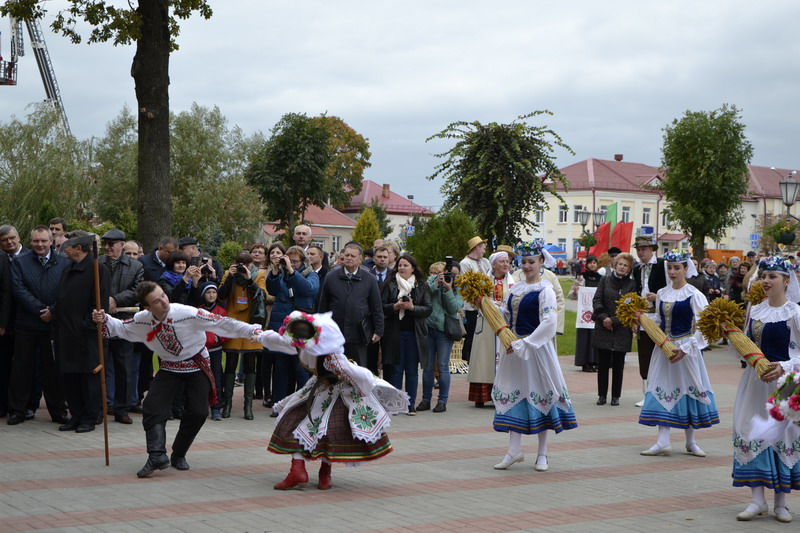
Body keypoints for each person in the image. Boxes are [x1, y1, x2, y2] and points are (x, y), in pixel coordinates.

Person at [92, 281, 263, 478]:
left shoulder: (186, 313)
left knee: (198, 412)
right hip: (169, 367)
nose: (164, 302)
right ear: (147, 307)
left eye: (163, 295)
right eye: (156, 301)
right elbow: (122, 328)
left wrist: (252, 331)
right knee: (152, 407)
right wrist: (103, 319)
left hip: (196, 364)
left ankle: (179, 454)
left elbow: (221, 323)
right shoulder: (143, 319)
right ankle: (157, 455)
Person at [257, 311, 408, 490]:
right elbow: (282, 339)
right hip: (321, 388)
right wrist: (260, 335)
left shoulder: (332, 357)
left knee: (308, 425)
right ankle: (318, 473)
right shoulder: (310, 344)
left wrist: (368, 385)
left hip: (338, 393)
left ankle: (310, 472)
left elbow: (357, 374)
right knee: (307, 425)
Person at [492, 240, 577, 473]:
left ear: (541, 263)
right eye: (524, 262)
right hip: (515, 350)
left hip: (536, 350)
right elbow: (509, 314)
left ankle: (542, 453)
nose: (527, 266)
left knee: (541, 396)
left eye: (531, 262)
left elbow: (549, 322)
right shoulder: (516, 288)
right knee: (513, 393)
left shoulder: (545, 290)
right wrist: (490, 307)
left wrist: (527, 343)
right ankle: (513, 450)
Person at [732, 256, 800, 524]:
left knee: (782, 436)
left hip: (787, 382)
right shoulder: (755, 310)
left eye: (773, 276)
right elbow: (746, 346)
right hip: (754, 380)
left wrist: (783, 367)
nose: (766, 281)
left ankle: (781, 503)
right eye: (764, 276)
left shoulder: (795, 312)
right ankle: (757, 500)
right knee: (750, 431)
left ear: (786, 280)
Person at [638, 250, 719, 457]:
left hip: (686, 349)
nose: (672, 272)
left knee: (689, 389)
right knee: (662, 388)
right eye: (670, 268)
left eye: (677, 268)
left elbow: (705, 326)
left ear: (686, 269)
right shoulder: (663, 293)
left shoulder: (694, 294)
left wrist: (686, 348)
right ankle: (662, 441)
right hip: (664, 348)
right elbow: (659, 320)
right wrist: (641, 319)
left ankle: (690, 442)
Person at [7, 226, 69, 425]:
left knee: (54, 370)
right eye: (36, 241)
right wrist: (41, 310)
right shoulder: (19, 262)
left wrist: (53, 310)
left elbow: (68, 291)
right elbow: (18, 289)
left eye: (43, 241)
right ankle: (18, 410)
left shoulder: (64, 263)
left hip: (53, 326)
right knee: (21, 370)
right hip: (26, 324)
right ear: (30, 241)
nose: (39, 245)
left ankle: (58, 411)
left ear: (51, 241)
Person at [55, 232, 110, 433]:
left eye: (67, 245)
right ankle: (76, 415)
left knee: (89, 379)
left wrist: (85, 325)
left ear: (79, 248)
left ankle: (89, 417)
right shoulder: (68, 269)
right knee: (70, 378)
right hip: (66, 333)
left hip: (86, 335)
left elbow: (100, 303)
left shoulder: (97, 269)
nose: (63, 248)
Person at [266, 245, 319, 416]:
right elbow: (271, 290)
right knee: (280, 367)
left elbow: (308, 289)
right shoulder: (280, 275)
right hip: (282, 326)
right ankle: (279, 404)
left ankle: (303, 405)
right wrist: (275, 270)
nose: (292, 264)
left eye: (295, 261)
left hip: (301, 327)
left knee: (300, 368)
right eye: (290, 260)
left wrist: (291, 271)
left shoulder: (311, 275)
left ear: (303, 262)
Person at [99, 229, 144, 424]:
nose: (107, 247)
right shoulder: (97, 263)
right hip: (100, 321)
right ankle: (100, 406)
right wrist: (104, 301)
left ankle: (122, 408)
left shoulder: (135, 266)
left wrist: (115, 300)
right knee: (100, 365)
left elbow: (138, 289)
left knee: (124, 367)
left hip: (124, 322)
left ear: (121, 245)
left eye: (112, 244)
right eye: (105, 243)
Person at [218, 250, 267, 420]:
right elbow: (220, 295)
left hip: (250, 321)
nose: (244, 267)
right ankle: (228, 404)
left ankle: (248, 406)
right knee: (230, 363)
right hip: (233, 321)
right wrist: (231, 277)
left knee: (250, 363)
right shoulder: (228, 274)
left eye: (247, 265)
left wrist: (249, 280)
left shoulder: (258, 275)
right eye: (241, 264)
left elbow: (263, 295)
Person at [317, 242, 383, 367]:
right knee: (335, 370)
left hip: (359, 334)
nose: (349, 258)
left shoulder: (369, 279)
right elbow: (323, 306)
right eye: (346, 255)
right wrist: (321, 329)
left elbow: (376, 307)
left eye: (353, 256)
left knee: (357, 370)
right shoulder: (331, 277)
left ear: (360, 259)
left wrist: (378, 330)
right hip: (335, 333)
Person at [380, 255, 432, 414]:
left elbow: (428, 309)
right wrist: (395, 306)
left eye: (405, 265)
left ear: (413, 268)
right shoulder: (390, 284)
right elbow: (381, 306)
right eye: (400, 265)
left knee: (411, 370)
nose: (402, 268)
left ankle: (410, 405)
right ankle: (396, 405)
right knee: (396, 369)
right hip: (394, 332)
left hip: (414, 334)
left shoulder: (422, 285)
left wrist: (412, 308)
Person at [468, 249, 512, 408]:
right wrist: (488, 305)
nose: (506, 264)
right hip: (487, 323)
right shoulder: (483, 281)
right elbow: (474, 301)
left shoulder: (513, 281)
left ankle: (503, 394)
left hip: (504, 323)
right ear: (493, 264)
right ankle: (482, 396)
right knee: (484, 359)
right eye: (502, 261)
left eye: (507, 261)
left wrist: (504, 306)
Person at [592, 253, 636, 406]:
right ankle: (602, 395)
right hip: (602, 326)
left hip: (621, 329)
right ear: (615, 265)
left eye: (626, 265)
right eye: (620, 264)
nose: (622, 267)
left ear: (629, 269)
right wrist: (604, 318)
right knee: (602, 364)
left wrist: (614, 320)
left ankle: (616, 396)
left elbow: (630, 307)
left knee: (618, 365)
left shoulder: (631, 285)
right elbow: (597, 300)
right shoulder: (604, 280)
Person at [420, 260, 462, 413]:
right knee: (428, 366)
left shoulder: (460, 289)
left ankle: (442, 401)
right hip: (429, 328)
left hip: (445, 331)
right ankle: (425, 400)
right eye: (449, 274)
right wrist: (437, 284)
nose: (452, 277)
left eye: (455, 275)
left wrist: (449, 289)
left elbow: (454, 308)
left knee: (443, 366)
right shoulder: (432, 280)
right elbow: (424, 296)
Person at [632, 234, 667, 407]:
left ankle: (660, 391)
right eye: (638, 249)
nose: (640, 252)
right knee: (644, 355)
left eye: (644, 249)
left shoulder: (663, 265)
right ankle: (646, 393)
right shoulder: (637, 269)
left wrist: (658, 296)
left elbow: (672, 289)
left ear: (652, 249)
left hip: (659, 318)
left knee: (659, 355)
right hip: (643, 317)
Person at [197, 282, 226, 421]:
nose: (211, 295)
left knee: (216, 378)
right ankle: (201, 407)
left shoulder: (221, 311)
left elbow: (226, 329)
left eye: (214, 292)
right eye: (208, 292)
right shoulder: (197, 311)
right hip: (200, 350)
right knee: (200, 379)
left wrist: (217, 337)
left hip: (215, 350)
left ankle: (216, 407)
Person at [459, 237, 490, 363]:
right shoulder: (465, 263)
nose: (484, 249)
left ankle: (482, 358)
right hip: (472, 305)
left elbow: (489, 277)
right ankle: (470, 359)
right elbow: (467, 284)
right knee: (472, 333)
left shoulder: (485, 261)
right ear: (476, 247)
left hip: (486, 303)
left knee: (484, 332)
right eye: (483, 247)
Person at [569, 255, 601, 372]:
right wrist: (575, 291)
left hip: (597, 313)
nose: (592, 264)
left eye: (594, 262)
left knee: (597, 336)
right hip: (584, 313)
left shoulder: (601, 278)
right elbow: (570, 296)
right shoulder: (581, 278)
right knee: (585, 337)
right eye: (590, 262)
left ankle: (596, 361)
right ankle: (585, 362)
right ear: (586, 264)